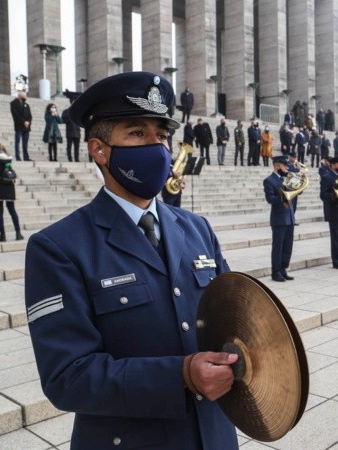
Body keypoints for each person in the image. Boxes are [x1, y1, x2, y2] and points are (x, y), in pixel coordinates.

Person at [23, 72, 239, 449]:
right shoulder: (58, 247)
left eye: (162, 135)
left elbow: (232, 319)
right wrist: (182, 375)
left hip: (214, 435)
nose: (157, 146)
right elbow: (67, 376)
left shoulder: (197, 228)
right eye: (138, 134)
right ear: (99, 150)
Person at [264, 155, 296, 282]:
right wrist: (284, 197)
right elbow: (270, 199)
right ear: (277, 166)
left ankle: (283, 269)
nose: (287, 167)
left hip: (289, 217)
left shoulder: (287, 178)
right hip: (279, 219)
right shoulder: (269, 180)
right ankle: (275, 271)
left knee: (288, 246)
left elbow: (297, 191)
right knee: (278, 246)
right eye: (284, 165)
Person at [10, 90, 32, 161]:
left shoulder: (26, 105)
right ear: (20, 96)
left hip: (26, 126)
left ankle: (26, 157)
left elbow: (29, 115)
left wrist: (28, 122)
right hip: (19, 125)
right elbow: (16, 115)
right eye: (24, 96)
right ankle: (17, 156)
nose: (25, 97)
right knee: (18, 141)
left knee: (25, 143)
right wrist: (23, 122)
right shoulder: (14, 103)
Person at [62, 97, 82, 162]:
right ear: (71, 102)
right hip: (70, 132)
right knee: (69, 147)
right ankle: (70, 159)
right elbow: (63, 120)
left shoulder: (78, 112)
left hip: (77, 132)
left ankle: (77, 159)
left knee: (77, 147)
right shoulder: (66, 111)